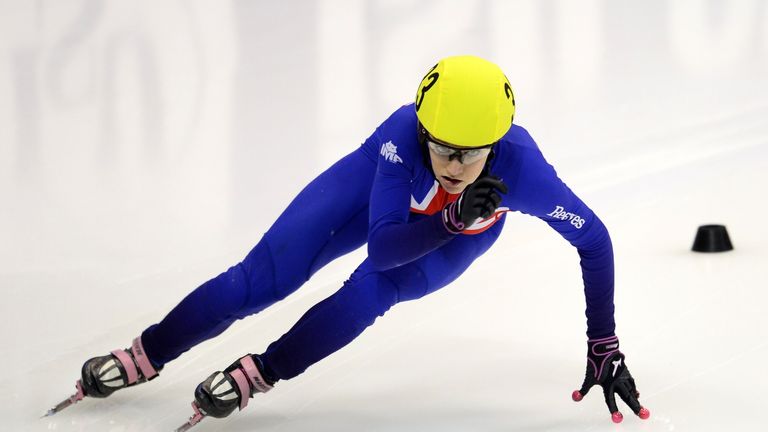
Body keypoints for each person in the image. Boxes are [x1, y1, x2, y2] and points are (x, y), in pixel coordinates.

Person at [72, 55, 650, 426]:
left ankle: (264, 371)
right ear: (422, 129)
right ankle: (149, 353)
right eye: (441, 146)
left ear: (494, 148)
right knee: (257, 280)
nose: (452, 165)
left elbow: (594, 242)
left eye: (469, 154)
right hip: (378, 203)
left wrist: (604, 343)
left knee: (368, 294)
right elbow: (384, 244)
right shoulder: (402, 134)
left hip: (452, 239)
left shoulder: (526, 174)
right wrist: (448, 216)